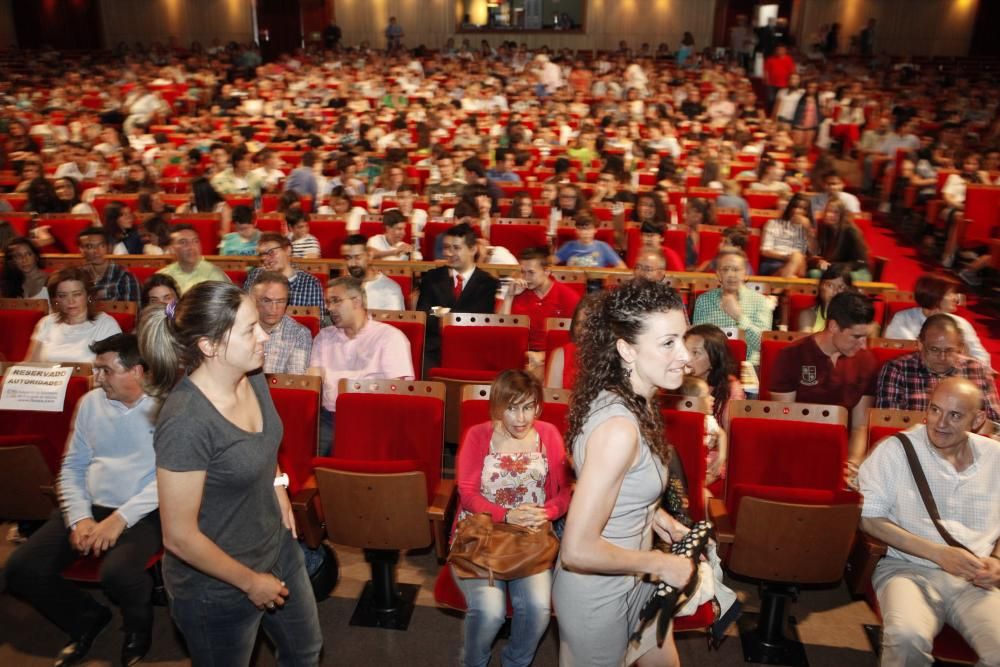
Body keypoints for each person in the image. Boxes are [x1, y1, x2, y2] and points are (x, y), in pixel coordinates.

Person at [137, 281, 323, 665]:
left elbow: (262, 444)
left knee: (305, 651)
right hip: (217, 585)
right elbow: (180, 537)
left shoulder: (251, 375)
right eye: (250, 329)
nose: (264, 336)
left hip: (276, 549)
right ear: (209, 346)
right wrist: (251, 583)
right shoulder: (187, 421)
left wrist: (278, 487)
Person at [553, 279, 694, 666]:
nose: (686, 357)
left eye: (683, 339)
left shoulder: (636, 400)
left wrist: (654, 513)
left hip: (635, 577)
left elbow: (616, 483)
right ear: (627, 350)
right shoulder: (619, 428)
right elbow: (577, 549)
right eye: (668, 343)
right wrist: (662, 563)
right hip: (599, 597)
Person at [5, 333, 162, 667]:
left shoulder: (166, 407)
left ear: (136, 371)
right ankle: (86, 618)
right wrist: (79, 518)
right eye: (96, 370)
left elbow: (171, 477)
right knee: (21, 569)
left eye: (105, 370)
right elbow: (72, 466)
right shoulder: (90, 403)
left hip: (143, 512)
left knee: (118, 573)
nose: (97, 378)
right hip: (90, 505)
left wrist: (119, 520)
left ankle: (139, 629)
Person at [858, 378, 1000, 666]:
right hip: (907, 569)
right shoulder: (895, 451)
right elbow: (869, 519)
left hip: (975, 577)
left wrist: (997, 560)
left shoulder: (995, 458)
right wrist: (938, 553)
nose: (940, 423)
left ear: (978, 419)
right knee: (906, 636)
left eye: (955, 415)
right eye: (935, 410)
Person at [454, 369, 572, 667]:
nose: (521, 418)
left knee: (537, 610)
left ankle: (516, 663)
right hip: (481, 533)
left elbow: (565, 493)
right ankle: (474, 662)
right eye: (512, 408)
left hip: (530, 537)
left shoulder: (548, 435)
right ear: (498, 406)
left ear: (538, 407)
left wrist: (546, 512)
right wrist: (507, 513)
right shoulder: (479, 435)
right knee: (489, 612)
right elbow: (467, 492)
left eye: (528, 407)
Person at [770, 291, 879, 486]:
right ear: (833, 326)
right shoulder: (791, 356)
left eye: (866, 337)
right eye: (856, 336)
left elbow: (860, 425)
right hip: (796, 450)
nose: (863, 345)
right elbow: (783, 419)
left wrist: (852, 463)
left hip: (840, 453)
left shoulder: (866, 361)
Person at [309, 277, 414, 455]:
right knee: (307, 453)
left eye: (335, 301)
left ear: (356, 301)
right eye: (328, 302)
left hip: (374, 418)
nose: (329, 308)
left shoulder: (389, 337)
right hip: (330, 418)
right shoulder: (324, 337)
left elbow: (399, 392)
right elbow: (313, 382)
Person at [876, 314, 999, 428]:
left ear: (960, 347)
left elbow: (995, 422)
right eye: (934, 349)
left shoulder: (977, 370)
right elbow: (888, 423)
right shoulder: (897, 370)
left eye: (949, 350)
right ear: (920, 344)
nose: (942, 357)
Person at [415, 223, 499, 370]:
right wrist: (452, 314)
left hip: (471, 349)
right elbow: (425, 313)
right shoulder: (432, 278)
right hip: (435, 350)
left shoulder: (487, 283)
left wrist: (441, 311)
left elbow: (478, 319)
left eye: (456, 248)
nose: (449, 253)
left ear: (472, 249)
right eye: (447, 247)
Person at [884, 274, 991, 368]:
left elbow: (981, 357)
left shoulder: (961, 323)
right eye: (951, 294)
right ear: (935, 296)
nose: (955, 298)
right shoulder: (903, 319)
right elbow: (900, 355)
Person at [691, 248, 775, 365]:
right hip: (713, 365)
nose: (731, 275)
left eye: (736, 269)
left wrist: (739, 317)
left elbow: (763, 345)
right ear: (718, 275)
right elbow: (697, 342)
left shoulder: (760, 301)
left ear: (745, 274)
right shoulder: (704, 300)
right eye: (725, 269)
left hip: (749, 365)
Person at [27, 267, 122, 362]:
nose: (70, 301)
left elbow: (113, 369)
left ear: (88, 296)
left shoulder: (106, 324)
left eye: (76, 294)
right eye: (63, 296)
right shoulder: (46, 322)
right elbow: (30, 365)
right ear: (56, 299)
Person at [502, 246, 582, 357]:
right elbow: (503, 331)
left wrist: (544, 356)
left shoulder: (568, 296)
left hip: (555, 355)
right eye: (523, 272)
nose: (526, 277)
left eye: (531, 272)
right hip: (520, 354)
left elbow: (578, 338)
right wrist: (509, 296)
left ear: (547, 271)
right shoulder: (518, 292)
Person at [244, 233, 326, 315]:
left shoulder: (310, 283)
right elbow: (244, 311)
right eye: (261, 255)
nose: (265, 258)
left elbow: (318, 321)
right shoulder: (255, 276)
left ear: (287, 250)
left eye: (270, 252)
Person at [683, 323, 746, 429]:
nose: (686, 358)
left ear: (714, 358)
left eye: (695, 353)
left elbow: (731, 436)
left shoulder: (730, 389)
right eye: (685, 351)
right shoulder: (675, 382)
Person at [251, 271, 313, 375]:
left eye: (280, 301)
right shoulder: (239, 329)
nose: (273, 308)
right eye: (266, 301)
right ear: (253, 300)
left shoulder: (299, 334)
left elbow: (294, 381)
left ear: (287, 302)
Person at [679, 375, 727, 495]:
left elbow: (722, 435)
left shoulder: (708, 420)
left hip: (704, 466)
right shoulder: (681, 422)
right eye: (706, 395)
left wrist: (721, 457)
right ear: (691, 402)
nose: (712, 398)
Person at [545, 292, 600, 391]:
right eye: (578, 324)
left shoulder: (612, 356)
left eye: (587, 325)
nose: (581, 329)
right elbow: (553, 402)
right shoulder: (561, 355)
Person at [156, 225, 231, 294]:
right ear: (171, 249)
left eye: (195, 241)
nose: (191, 247)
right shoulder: (163, 276)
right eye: (183, 242)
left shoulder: (214, 274)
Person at [811, 198, 871, 281]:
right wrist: (819, 261)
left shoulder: (851, 231)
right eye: (828, 211)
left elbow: (861, 261)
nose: (829, 215)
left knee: (837, 277)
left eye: (835, 212)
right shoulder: (823, 228)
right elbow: (814, 253)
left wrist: (835, 267)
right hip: (832, 268)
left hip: (855, 270)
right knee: (814, 274)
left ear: (842, 215)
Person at [341, 233, 405, 311]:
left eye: (358, 257)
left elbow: (394, 322)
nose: (353, 263)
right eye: (348, 258)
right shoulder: (341, 287)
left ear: (369, 256)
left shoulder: (390, 289)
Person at [76, 227, 141, 302]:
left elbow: (132, 311)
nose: (96, 251)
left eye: (101, 246)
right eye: (90, 246)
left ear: (109, 247)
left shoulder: (125, 277)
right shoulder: (76, 276)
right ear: (81, 250)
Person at [759, 193, 816, 277]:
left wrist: (807, 230)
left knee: (798, 257)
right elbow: (764, 251)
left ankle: (779, 287)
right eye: (796, 207)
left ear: (807, 212)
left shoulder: (806, 229)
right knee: (796, 258)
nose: (798, 211)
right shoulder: (773, 224)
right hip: (774, 264)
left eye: (803, 209)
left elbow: (813, 253)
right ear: (790, 207)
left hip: (800, 266)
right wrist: (787, 257)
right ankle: (788, 278)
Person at [555, 213, 625, 268]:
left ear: (595, 230)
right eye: (581, 229)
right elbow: (552, 262)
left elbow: (622, 267)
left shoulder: (603, 247)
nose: (585, 232)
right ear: (576, 230)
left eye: (589, 229)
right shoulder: (569, 246)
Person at [2, 236, 49, 300]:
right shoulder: (10, 283)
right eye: (18, 256)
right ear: (12, 261)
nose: (24, 260)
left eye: (29, 254)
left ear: (36, 256)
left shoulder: (50, 281)